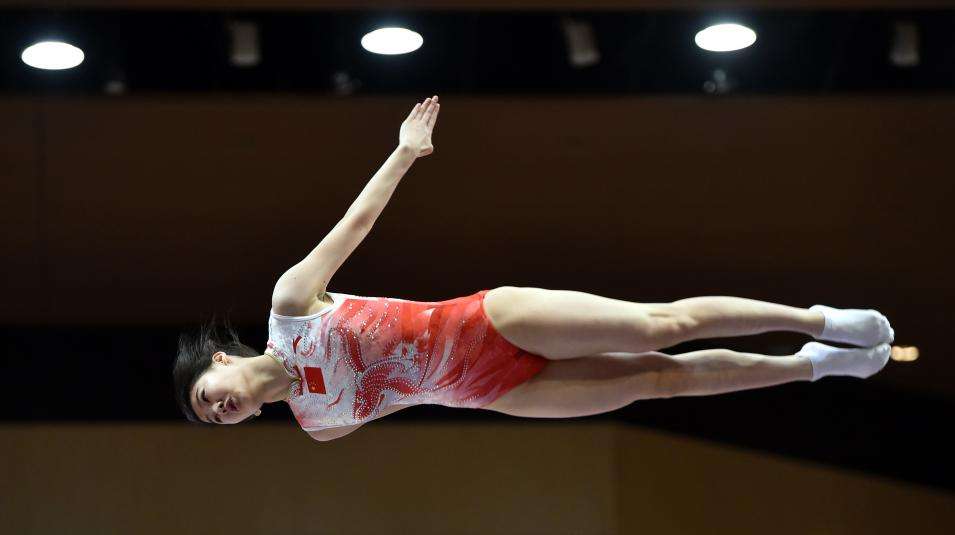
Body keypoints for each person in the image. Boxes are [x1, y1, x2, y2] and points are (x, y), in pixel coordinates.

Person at [173, 95, 895, 441]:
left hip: (489, 320)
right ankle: (812, 366)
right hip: (489, 392)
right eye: (213, 417)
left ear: (219, 360)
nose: (219, 409)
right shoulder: (319, 424)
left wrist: (404, 152)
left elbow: (355, 225)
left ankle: (817, 320)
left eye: (208, 395)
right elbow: (406, 392)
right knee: (658, 381)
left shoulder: (291, 306)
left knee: (660, 327)